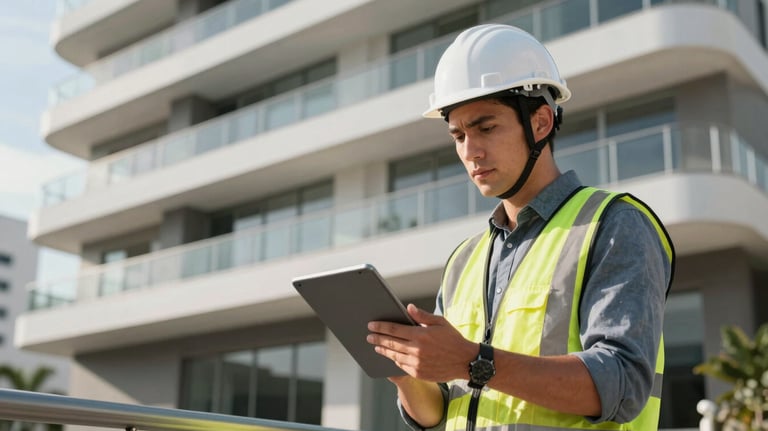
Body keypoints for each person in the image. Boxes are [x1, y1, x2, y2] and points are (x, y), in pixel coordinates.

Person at [366, 24, 675, 431]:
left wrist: (473, 361)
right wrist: (405, 368)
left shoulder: (613, 225)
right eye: (457, 135)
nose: (469, 151)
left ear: (542, 122)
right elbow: (438, 409)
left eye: (486, 128)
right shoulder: (464, 260)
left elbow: (623, 383)